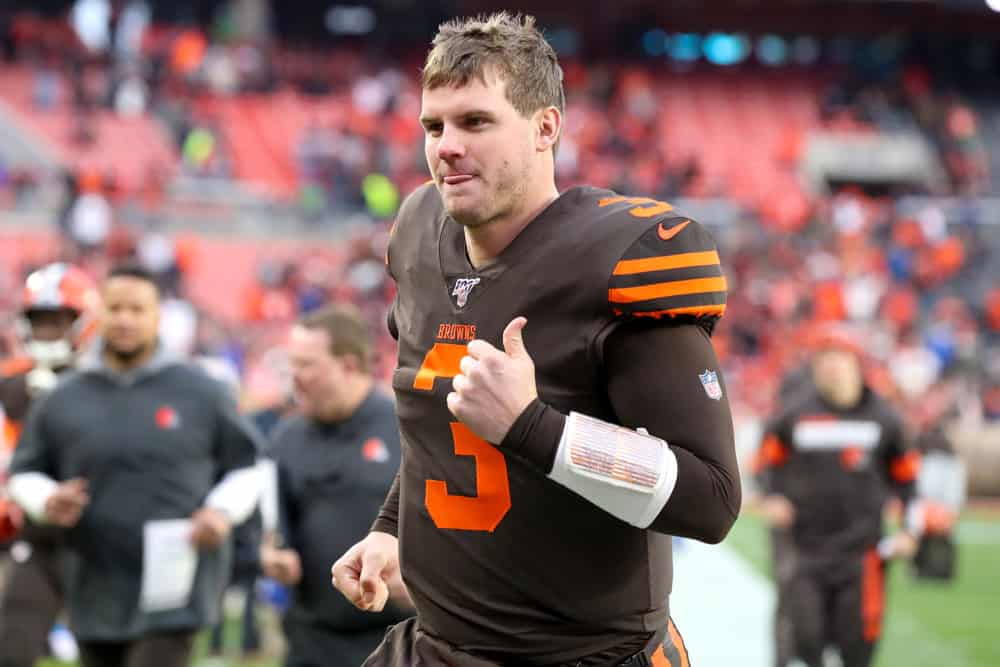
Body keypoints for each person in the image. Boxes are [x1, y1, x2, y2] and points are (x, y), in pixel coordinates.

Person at [331, 12, 739, 666]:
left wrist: (533, 426)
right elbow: (442, 422)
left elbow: (711, 498)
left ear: (546, 126)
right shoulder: (416, 231)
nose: (446, 146)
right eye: (433, 126)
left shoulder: (620, 256)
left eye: (476, 121)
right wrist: (390, 528)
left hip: (582, 654)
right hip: (436, 647)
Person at [6, 264, 264, 667]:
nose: (125, 319)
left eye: (137, 309)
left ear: (158, 316)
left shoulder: (202, 390)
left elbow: (248, 466)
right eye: (115, 308)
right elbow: (25, 470)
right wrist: (46, 499)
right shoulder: (64, 395)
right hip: (93, 575)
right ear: (99, 315)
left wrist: (221, 511)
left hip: (175, 578)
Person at [754, 327, 920, 667]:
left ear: (856, 363)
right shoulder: (793, 415)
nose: (830, 367)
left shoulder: (885, 419)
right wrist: (770, 496)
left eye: (838, 358)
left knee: (858, 648)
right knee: (806, 639)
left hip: (863, 557)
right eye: (823, 359)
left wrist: (910, 531)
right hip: (805, 552)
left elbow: (908, 482)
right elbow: (764, 464)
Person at [263, 304, 410, 666]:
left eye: (306, 364)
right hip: (311, 638)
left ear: (348, 365)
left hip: (398, 639)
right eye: (291, 364)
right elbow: (272, 526)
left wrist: (424, 582)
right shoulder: (287, 437)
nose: (294, 377)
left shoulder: (406, 429)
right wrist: (271, 556)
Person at [0, 263, 98, 667]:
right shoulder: (10, 384)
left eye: (56, 321)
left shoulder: (104, 384)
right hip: (35, 535)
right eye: (38, 322)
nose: (45, 332)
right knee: (12, 647)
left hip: (99, 538)